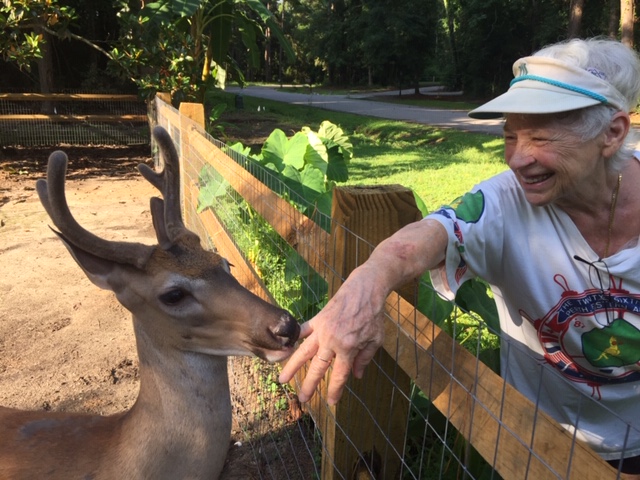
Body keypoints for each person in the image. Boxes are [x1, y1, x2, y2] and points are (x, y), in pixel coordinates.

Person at [279, 37, 640, 473]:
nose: (518, 158)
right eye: (510, 135)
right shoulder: (507, 203)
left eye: (541, 136)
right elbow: (428, 235)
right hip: (545, 445)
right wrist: (364, 286)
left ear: (612, 133)